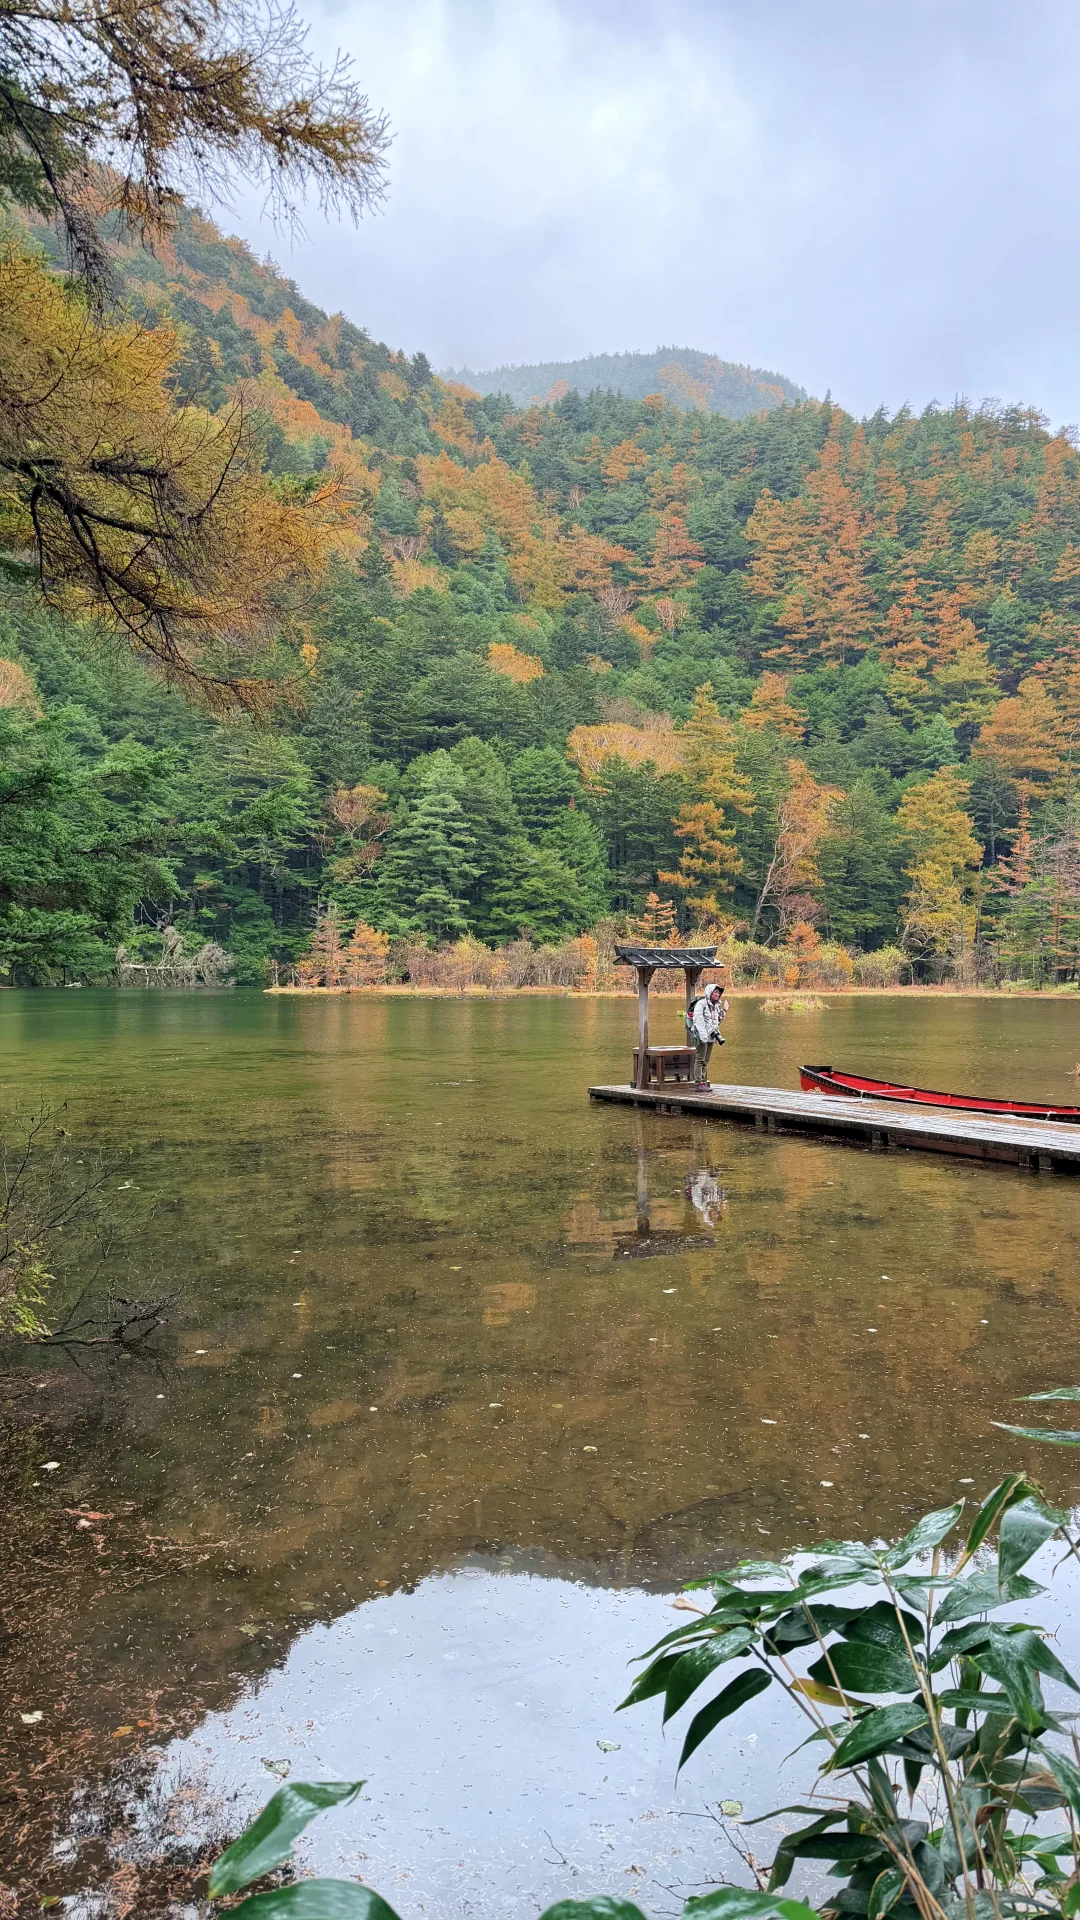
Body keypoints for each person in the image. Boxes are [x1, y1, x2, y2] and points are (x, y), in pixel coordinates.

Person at [689, 983, 727, 1091]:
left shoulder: (715, 1006)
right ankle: (698, 1084)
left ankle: (703, 1082)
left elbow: (717, 1022)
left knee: (706, 1061)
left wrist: (724, 1011)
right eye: (715, 992)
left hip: (711, 1036)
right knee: (700, 1060)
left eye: (718, 993)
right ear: (709, 992)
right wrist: (703, 1037)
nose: (717, 994)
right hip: (701, 1036)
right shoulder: (701, 1004)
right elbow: (698, 1021)